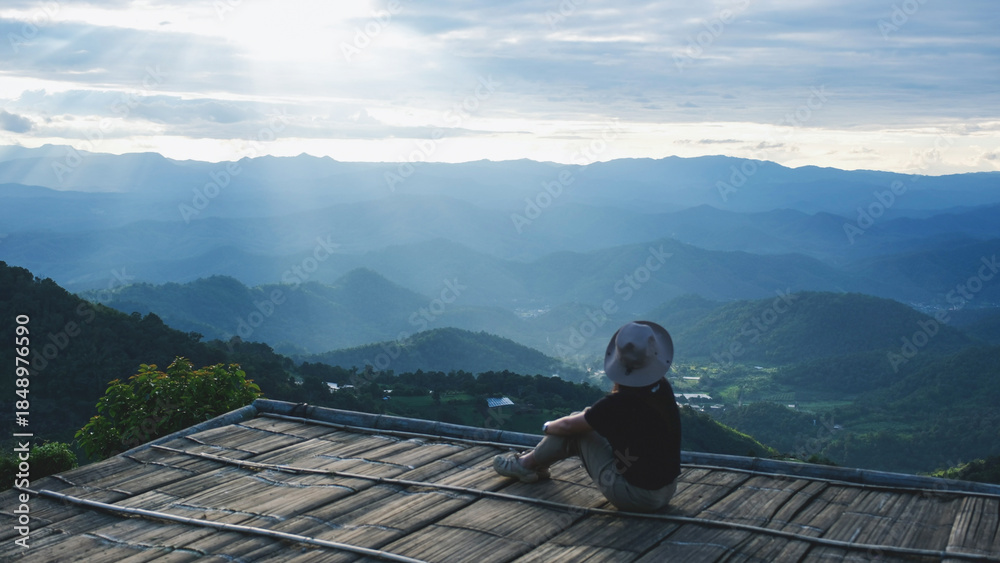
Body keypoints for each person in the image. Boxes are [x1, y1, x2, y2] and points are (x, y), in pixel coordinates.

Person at [493, 320, 682, 513]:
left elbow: (567, 427)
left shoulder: (620, 403)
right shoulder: (661, 388)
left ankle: (526, 464)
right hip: (667, 490)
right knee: (584, 418)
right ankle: (534, 465)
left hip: (635, 496)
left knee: (578, 427)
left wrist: (547, 426)